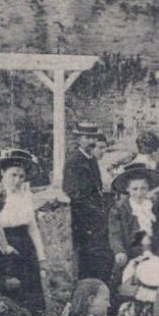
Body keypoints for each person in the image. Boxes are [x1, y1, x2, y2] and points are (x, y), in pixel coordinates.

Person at [0, 148, 49, 316]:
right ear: (2, 173)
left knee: (32, 290)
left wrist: (41, 257)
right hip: (4, 247)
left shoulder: (27, 196)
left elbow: (32, 228)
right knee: (12, 290)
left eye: (21, 177)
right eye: (13, 175)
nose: (17, 180)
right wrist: (4, 246)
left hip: (25, 246)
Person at [64, 122, 114, 284]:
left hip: (95, 218)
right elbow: (75, 195)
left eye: (93, 137)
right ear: (78, 139)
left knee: (100, 258)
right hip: (84, 220)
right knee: (88, 260)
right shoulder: (74, 162)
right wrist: (97, 215)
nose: (91, 141)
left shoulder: (90, 159)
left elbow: (97, 189)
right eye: (87, 137)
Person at [108, 165, 159, 270]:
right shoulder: (119, 209)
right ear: (127, 188)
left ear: (148, 188)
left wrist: (157, 254)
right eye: (135, 189)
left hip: (153, 255)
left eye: (143, 188)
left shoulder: (155, 208)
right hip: (129, 256)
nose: (139, 193)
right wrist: (120, 251)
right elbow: (115, 234)